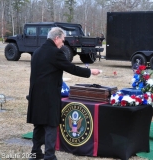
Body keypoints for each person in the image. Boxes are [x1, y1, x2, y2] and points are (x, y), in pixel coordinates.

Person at [27, 27, 101, 160]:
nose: (63, 42)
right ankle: (49, 156)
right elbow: (71, 68)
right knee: (50, 125)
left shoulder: (37, 51)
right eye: (63, 39)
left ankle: (35, 153)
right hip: (49, 95)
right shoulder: (55, 53)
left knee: (38, 124)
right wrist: (90, 72)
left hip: (36, 94)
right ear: (56, 38)